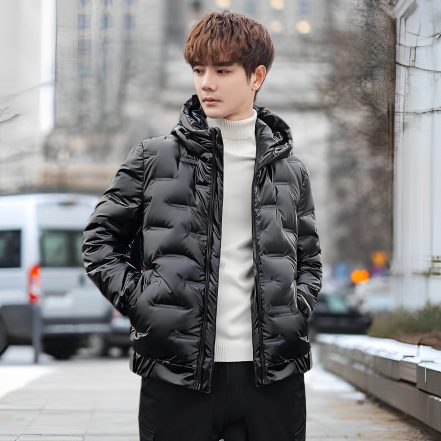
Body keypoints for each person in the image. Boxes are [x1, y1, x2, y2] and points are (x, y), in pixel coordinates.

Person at [82, 10, 322, 441]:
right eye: (198, 70)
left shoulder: (291, 171)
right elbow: (99, 242)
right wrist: (145, 304)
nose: (206, 83)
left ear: (256, 76)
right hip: (177, 375)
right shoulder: (153, 158)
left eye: (222, 71)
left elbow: (308, 258)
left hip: (273, 377)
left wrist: (295, 308)